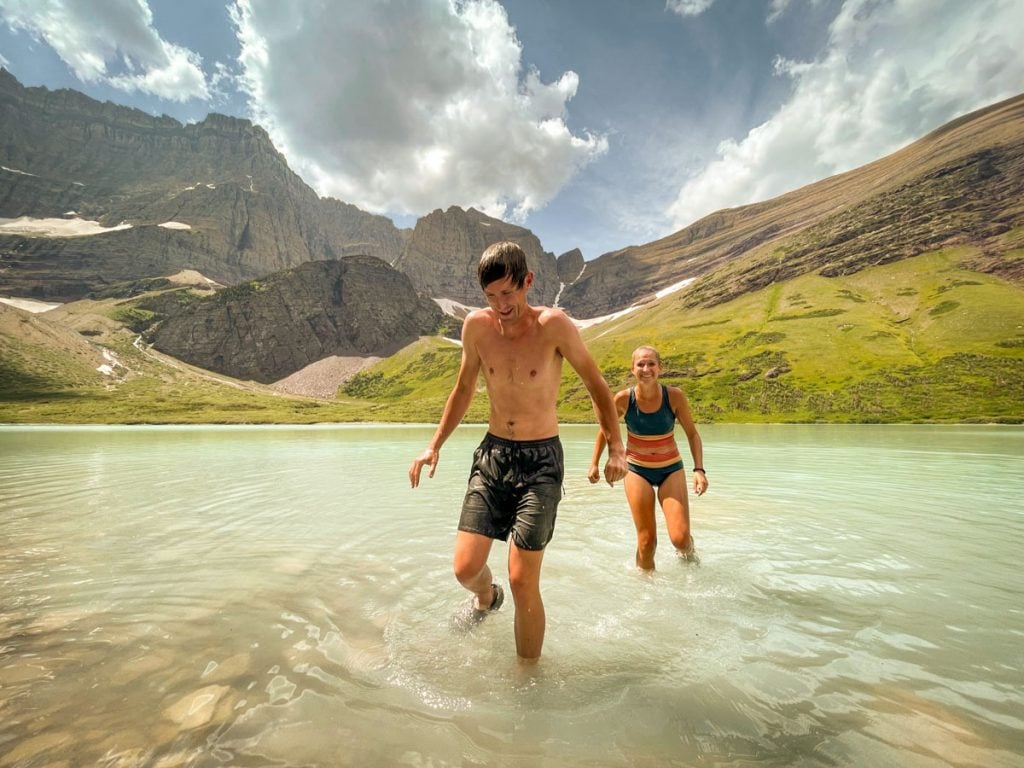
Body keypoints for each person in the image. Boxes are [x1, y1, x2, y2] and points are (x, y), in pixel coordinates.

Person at [409, 241, 627, 662]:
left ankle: (528, 680)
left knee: (524, 579)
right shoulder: (476, 327)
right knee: (465, 569)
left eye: (508, 293)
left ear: (527, 281)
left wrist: (616, 447)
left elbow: (597, 385)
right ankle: (488, 598)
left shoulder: (554, 325)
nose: (501, 305)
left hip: (541, 461)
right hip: (493, 457)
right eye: (491, 297)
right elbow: (464, 388)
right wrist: (433, 445)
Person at [588, 345, 708, 571]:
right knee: (646, 542)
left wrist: (699, 470)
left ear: (660, 368)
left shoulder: (675, 397)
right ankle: (646, 590)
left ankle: (691, 559)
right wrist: (594, 463)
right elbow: (606, 430)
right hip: (636, 470)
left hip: (670, 469)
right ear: (632, 370)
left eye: (651, 363)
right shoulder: (623, 399)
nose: (646, 368)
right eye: (640, 364)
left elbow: (692, 435)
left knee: (680, 540)